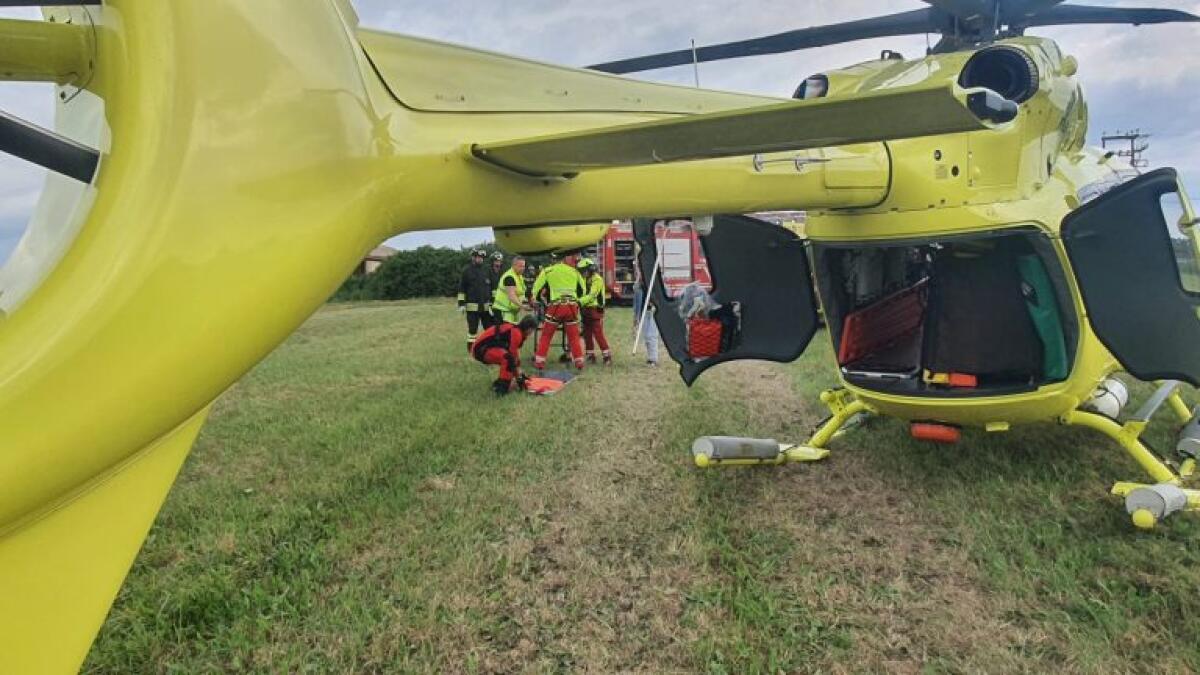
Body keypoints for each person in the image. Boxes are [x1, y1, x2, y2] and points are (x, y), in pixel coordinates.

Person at [530, 251, 586, 370]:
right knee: (573, 336)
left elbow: (536, 287)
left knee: (546, 335)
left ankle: (539, 362)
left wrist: (534, 297)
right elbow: (583, 289)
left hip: (556, 307)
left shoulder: (548, 270)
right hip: (571, 307)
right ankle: (579, 362)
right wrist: (578, 301)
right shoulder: (574, 271)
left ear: (553, 260)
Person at [470, 316, 538, 395]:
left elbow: (515, 355)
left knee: (510, 360)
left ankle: (499, 383)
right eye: (533, 330)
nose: (532, 333)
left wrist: (519, 374)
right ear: (529, 329)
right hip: (480, 349)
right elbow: (512, 357)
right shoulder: (517, 333)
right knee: (508, 359)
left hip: (484, 348)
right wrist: (519, 377)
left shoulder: (517, 331)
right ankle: (502, 389)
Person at [577, 258, 612, 365]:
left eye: (584, 270)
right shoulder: (584, 279)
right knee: (587, 333)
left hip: (595, 309)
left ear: (590, 269)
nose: (583, 273)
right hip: (585, 310)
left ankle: (607, 356)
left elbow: (592, 295)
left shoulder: (597, 279)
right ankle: (590, 355)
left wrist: (578, 302)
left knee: (598, 333)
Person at [457, 249, 494, 347]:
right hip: (472, 308)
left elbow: (492, 288)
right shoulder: (466, 271)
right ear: (473, 258)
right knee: (472, 331)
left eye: (482, 258)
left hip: (486, 308)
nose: (480, 259)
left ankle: (489, 348)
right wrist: (461, 304)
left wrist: (492, 303)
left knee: (489, 329)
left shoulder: (487, 270)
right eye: (478, 257)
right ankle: (471, 350)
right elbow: (462, 288)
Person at [632, 254, 660, 367]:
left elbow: (659, 295)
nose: (636, 270)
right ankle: (650, 357)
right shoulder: (639, 284)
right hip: (643, 311)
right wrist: (635, 318)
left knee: (651, 334)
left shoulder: (652, 279)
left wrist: (653, 301)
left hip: (651, 311)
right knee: (646, 335)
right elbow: (636, 301)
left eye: (638, 266)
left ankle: (653, 358)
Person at [492, 255, 528, 325]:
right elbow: (512, 296)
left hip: (511, 311)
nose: (523, 268)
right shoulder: (509, 277)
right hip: (502, 311)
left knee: (511, 333)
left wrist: (528, 301)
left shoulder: (519, 276)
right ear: (514, 265)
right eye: (520, 266)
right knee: (504, 334)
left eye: (524, 266)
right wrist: (522, 306)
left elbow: (520, 293)